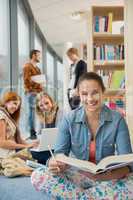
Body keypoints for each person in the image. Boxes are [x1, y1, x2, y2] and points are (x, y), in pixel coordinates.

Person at [31, 72, 133, 199]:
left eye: (95, 92)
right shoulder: (68, 119)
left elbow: (128, 164)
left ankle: (79, 196)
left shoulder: (117, 119)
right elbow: (59, 154)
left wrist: (105, 177)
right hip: (77, 176)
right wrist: (55, 163)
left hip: (108, 177)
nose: (90, 99)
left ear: (103, 92)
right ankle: (97, 195)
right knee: (38, 175)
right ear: (79, 94)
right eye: (84, 94)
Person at [0, 91, 38, 177]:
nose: (16, 107)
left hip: (14, 150)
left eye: (17, 105)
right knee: (39, 157)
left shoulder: (9, 117)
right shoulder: (1, 116)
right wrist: (25, 147)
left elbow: (19, 140)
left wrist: (31, 145)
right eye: (14, 103)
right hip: (6, 153)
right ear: (6, 101)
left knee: (40, 153)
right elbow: (2, 143)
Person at [31, 92, 63, 164]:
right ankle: (49, 163)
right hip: (47, 146)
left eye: (47, 103)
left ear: (51, 101)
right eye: (41, 105)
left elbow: (61, 133)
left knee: (41, 157)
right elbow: (39, 133)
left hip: (59, 146)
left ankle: (50, 162)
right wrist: (39, 141)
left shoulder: (60, 112)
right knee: (31, 152)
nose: (45, 107)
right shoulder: (40, 115)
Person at [23, 49, 43, 139]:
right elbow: (27, 81)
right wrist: (37, 85)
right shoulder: (27, 66)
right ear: (34, 55)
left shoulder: (38, 69)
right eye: (39, 55)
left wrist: (40, 89)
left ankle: (38, 130)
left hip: (38, 93)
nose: (40, 57)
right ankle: (32, 132)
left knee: (38, 112)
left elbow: (40, 81)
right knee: (32, 113)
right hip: (31, 93)